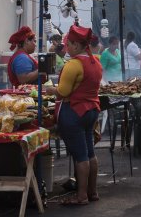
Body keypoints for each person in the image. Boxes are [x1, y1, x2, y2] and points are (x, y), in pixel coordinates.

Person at [56, 25, 102, 206]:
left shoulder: (73, 65)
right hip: (91, 111)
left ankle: (81, 196)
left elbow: (62, 92)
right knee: (90, 153)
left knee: (80, 155)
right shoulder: (95, 62)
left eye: (68, 44)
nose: (66, 47)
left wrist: (51, 89)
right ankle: (93, 191)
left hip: (74, 111)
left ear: (76, 45)